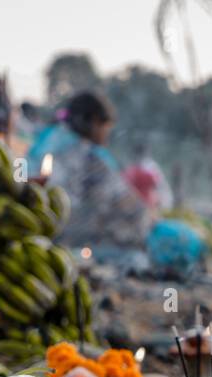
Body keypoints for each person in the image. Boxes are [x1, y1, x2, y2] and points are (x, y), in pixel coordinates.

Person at [46, 90, 152, 265]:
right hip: (75, 243)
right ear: (95, 122)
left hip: (50, 235)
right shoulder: (90, 157)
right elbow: (126, 205)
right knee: (138, 260)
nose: (107, 133)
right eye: (107, 127)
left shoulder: (50, 140)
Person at [123, 143, 174, 211]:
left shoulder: (149, 166)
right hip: (148, 201)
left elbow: (158, 186)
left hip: (158, 202)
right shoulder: (136, 167)